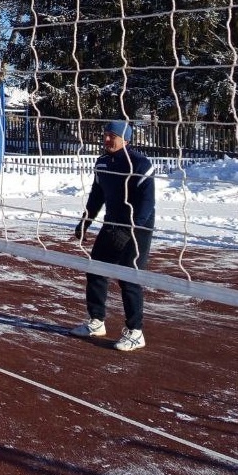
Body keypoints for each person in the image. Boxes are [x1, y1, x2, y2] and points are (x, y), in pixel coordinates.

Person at [71, 120, 155, 351]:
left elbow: (147, 204)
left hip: (138, 229)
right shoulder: (103, 163)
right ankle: (96, 322)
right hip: (111, 224)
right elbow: (96, 197)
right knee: (96, 271)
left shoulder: (140, 163)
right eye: (106, 135)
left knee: (129, 278)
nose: (107, 139)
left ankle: (136, 332)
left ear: (126, 139)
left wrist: (130, 231)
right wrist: (85, 222)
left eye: (113, 136)